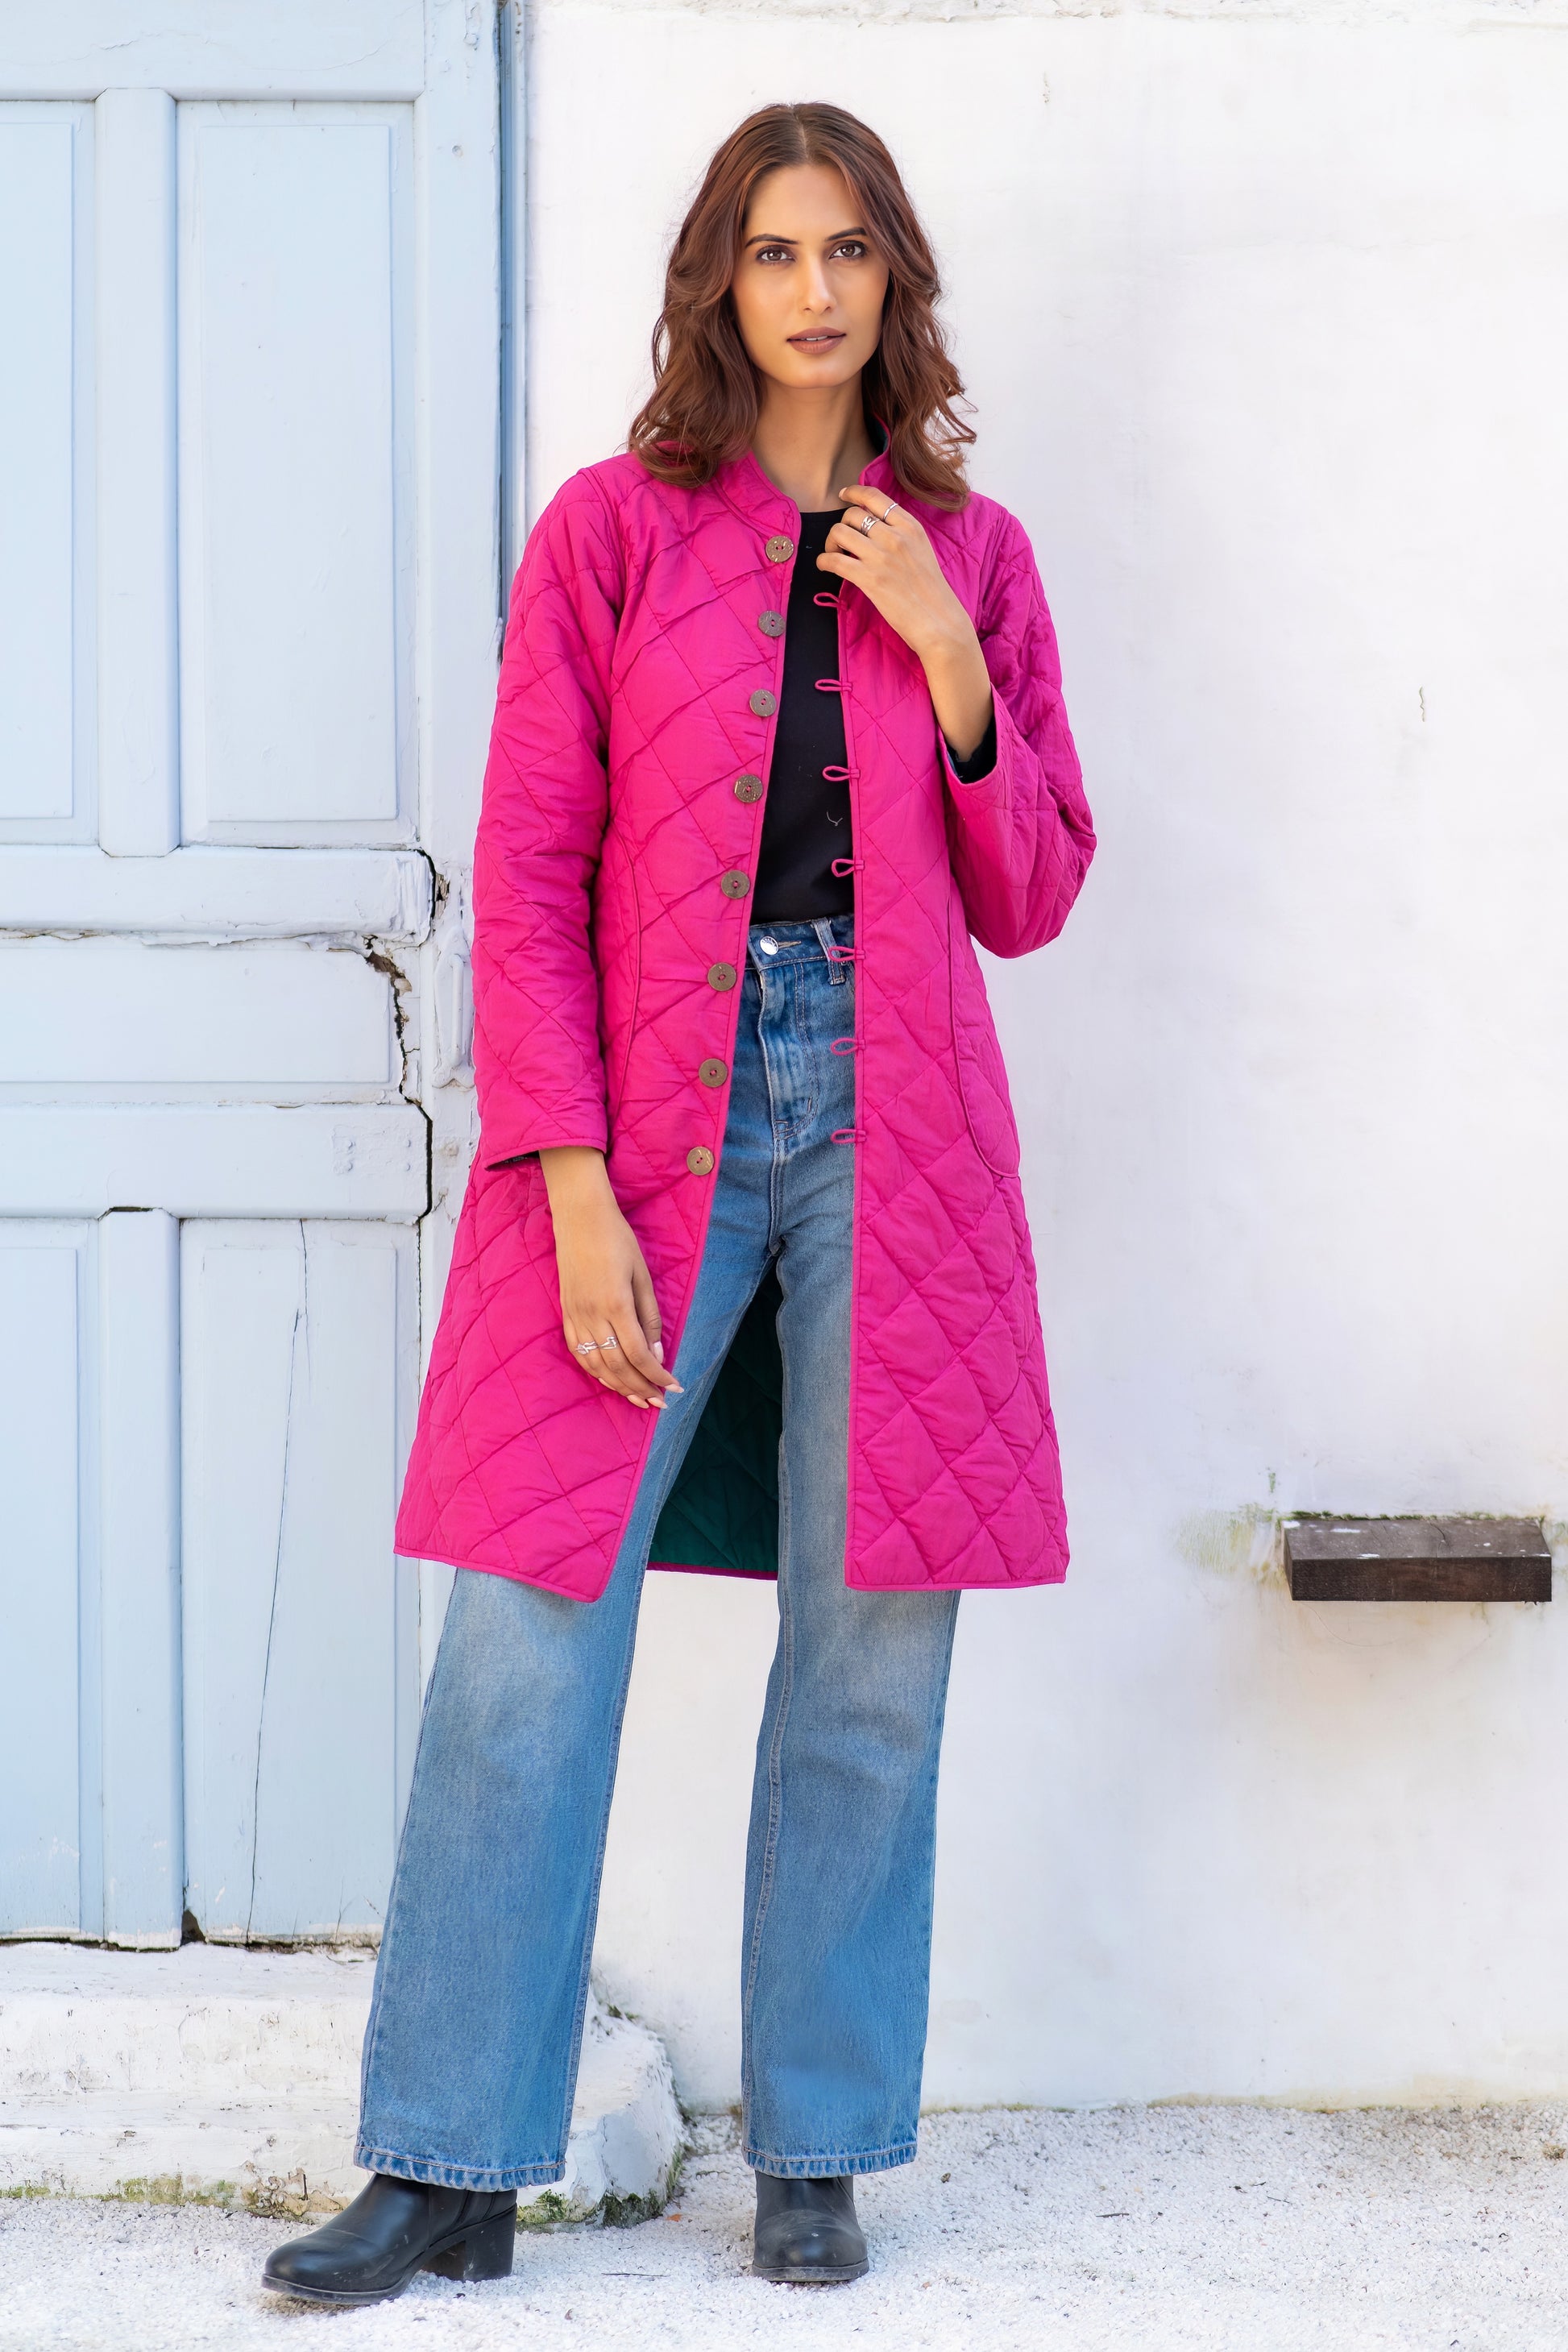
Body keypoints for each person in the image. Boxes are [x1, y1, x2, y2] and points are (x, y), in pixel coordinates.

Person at [263, 99, 1094, 2308]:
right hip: (648, 1121)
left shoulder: (973, 550)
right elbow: (531, 863)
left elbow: (1030, 891)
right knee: (527, 1634)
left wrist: (947, 651)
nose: (814, 290)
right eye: (774, 251)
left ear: (893, 279)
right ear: (721, 280)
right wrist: (564, 1183)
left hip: (897, 1132)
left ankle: (818, 2151)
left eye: (848, 251)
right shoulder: (615, 534)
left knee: (869, 1647)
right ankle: (445, 2163)